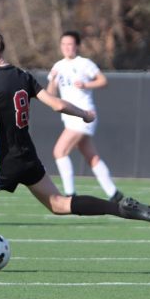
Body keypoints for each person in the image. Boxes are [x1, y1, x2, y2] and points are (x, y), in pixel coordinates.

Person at [0, 26, 150, 272]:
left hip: (4, 163)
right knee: (58, 204)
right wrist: (84, 113)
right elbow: (55, 104)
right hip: (28, 158)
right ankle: (119, 208)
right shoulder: (22, 75)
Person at [46, 31, 123, 202]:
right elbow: (51, 95)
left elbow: (103, 80)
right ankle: (114, 194)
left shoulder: (84, 63)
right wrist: (52, 80)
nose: (67, 47)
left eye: (70, 44)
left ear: (77, 46)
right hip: (69, 117)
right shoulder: (58, 66)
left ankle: (70, 194)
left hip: (84, 115)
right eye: (63, 44)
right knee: (91, 157)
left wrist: (86, 84)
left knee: (59, 151)